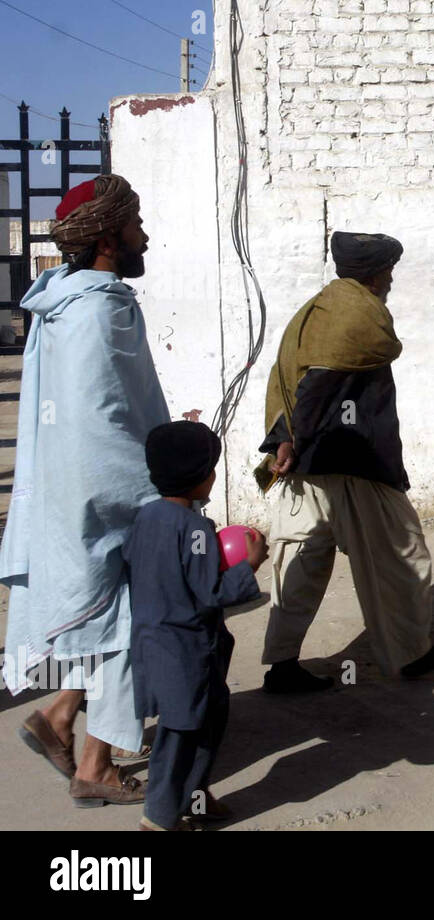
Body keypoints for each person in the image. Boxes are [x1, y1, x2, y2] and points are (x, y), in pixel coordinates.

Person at [0, 174, 169, 807]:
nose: (143, 235)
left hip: (69, 494)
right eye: (134, 225)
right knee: (130, 618)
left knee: (107, 617)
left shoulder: (62, 298)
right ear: (106, 237)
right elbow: (102, 422)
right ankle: (95, 766)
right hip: (106, 496)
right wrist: (162, 487)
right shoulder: (102, 307)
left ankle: (60, 718)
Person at [257, 231, 434, 693]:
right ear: (377, 272)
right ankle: (411, 656)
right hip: (353, 462)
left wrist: (284, 442)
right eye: (390, 269)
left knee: (299, 564)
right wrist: (297, 441)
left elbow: (284, 378)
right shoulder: (356, 316)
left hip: (304, 467)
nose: (392, 277)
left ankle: (282, 665)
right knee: (402, 557)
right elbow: (318, 385)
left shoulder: (317, 308)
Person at [124, 422, 266, 830]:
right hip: (184, 652)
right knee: (180, 735)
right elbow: (212, 592)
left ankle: (195, 798)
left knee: (207, 722)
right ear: (197, 475)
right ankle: (158, 818)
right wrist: (249, 565)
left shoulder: (146, 518)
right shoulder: (194, 529)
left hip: (156, 645)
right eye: (212, 468)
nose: (215, 475)